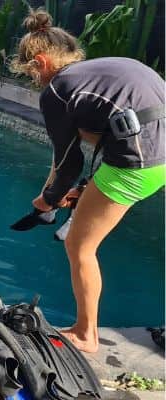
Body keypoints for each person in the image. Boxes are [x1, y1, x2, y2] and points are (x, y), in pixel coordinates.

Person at [9, 10, 164, 353]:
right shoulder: (104, 71)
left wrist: (48, 200)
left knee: (79, 246)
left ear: (40, 61)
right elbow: (123, 127)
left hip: (136, 165)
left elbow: (68, 160)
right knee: (84, 227)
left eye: (32, 73)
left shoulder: (58, 90)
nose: (36, 81)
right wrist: (82, 190)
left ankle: (85, 333)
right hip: (157, 159)